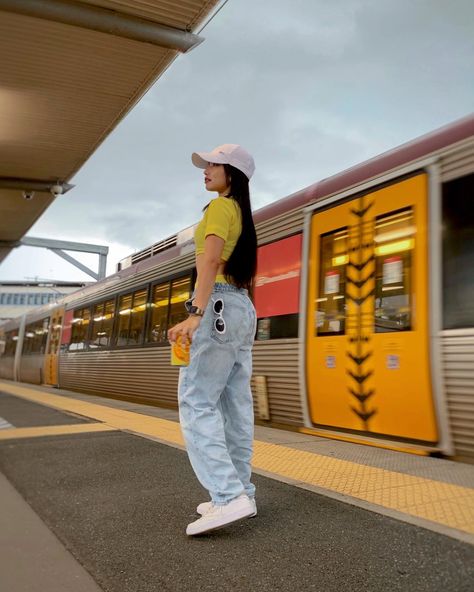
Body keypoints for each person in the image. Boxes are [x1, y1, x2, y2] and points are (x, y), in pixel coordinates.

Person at [168, 144, 258, 536]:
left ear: (232, 172)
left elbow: (208, 260)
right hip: (241, 308)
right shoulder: (241, 212)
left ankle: (227, 495)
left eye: (213, 164)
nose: (205, 170)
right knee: (235, 405)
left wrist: (196, 312)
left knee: (196, 400)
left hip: (217, 306)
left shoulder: (220, 208)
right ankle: (242, 492)